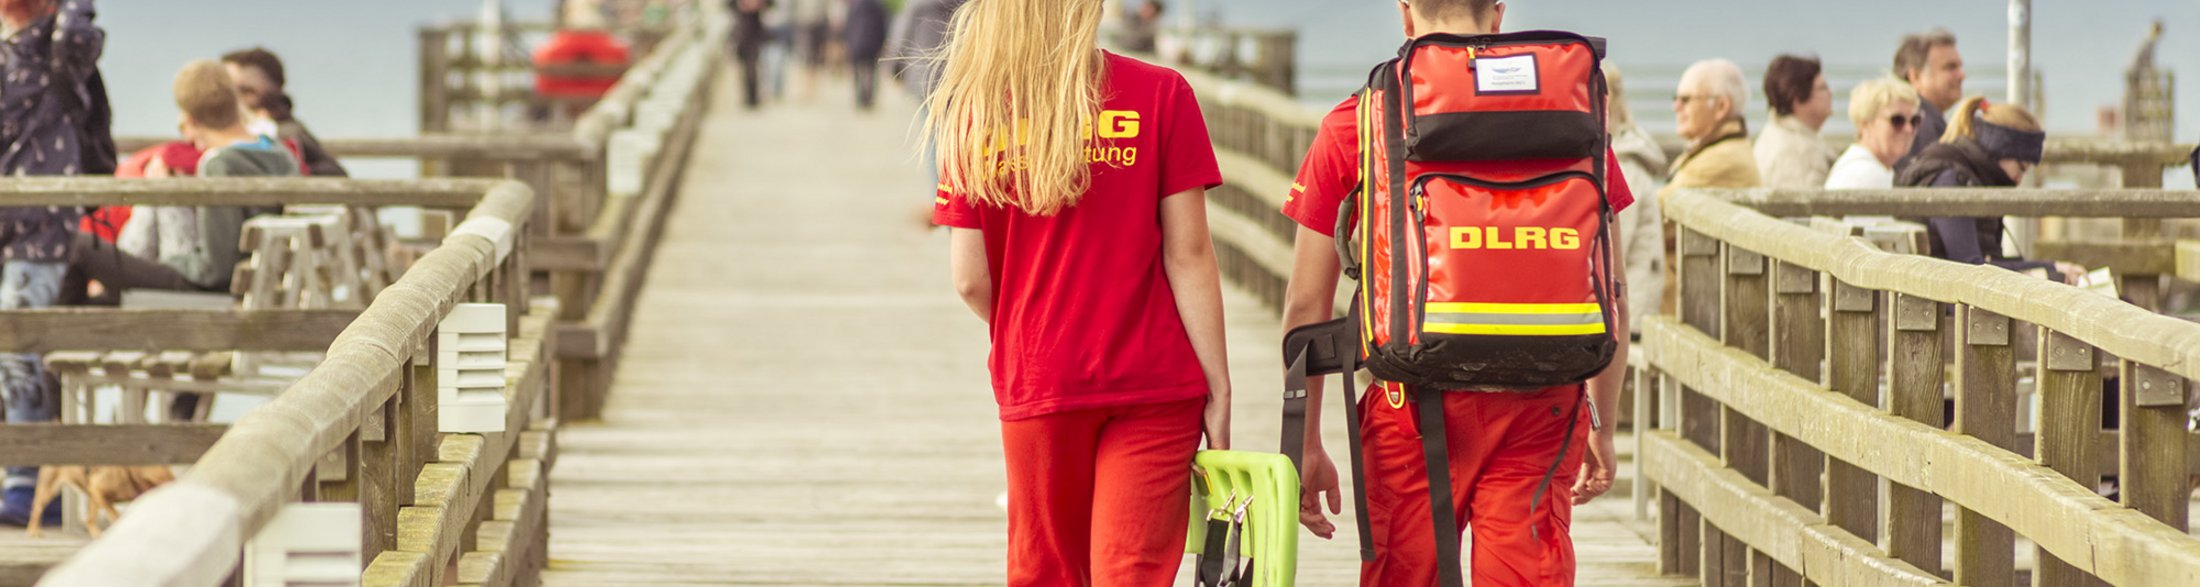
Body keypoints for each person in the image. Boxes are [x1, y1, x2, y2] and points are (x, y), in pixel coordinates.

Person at [1282, 1, 1633, 584]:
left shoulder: (1361, 119)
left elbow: (1305, 302)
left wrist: (1305, 439)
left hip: (1410, 406)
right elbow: (1611, 289)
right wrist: (1602, 421)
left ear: (1405, 13)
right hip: (1543, 399)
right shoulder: (1571, 115)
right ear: (1497, 15)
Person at [924, 0, 1229, 583]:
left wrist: (1032, 325)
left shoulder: (975, 110)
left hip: (1042, 377)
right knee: (1133, 572)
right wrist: (1219, 385)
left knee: (1048, 570)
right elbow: (1188, 254)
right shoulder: (1162, 93)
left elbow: (969, 279)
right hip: (1155, 376)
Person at [0, 0, 104, 529]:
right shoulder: (7, 52)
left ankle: (28, 481)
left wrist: (69, 5)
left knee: (18, 345)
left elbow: (82, 35)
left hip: (42, 224)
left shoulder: (61, 47)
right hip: (8, 218)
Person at [120, 60, 300, 293]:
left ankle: (116, 278)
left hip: (216, 288)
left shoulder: (218, 165)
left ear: (191, 120)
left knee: (85, 249)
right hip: (266, 278)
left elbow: (216, 268)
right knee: (161, 188)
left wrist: (164, 264)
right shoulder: (279, 152)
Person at [1894, 97, 2085, 283]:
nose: (2019, 179)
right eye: (2021, 168)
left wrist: (2049, 268)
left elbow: (1984, 262)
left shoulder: (1973, 179)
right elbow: (1969, 267)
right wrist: (2048, 272)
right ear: (2000, 150)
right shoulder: (1951, 181)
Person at [1656, 58, 1757, 316]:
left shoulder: (1723, 159)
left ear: (1721, 106)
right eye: (1676, 98)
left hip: (1699, 306)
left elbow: (1654, 214)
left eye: (1686, 99)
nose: (1676, 106)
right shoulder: (1717, 149)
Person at [222, 48, 349, 177]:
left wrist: (297, 170)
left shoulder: (286, 133)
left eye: (245, 91)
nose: (229, 97)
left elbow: (335, 173)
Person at [1605, 65, 1664, 338]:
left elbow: (1617, 247)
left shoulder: (1624, 164)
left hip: (1629, 315)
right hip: (1630, 306)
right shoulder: (1626, 154)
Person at [1753, 54, 1836, 189]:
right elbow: (1807, 202)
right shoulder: (1797, 153)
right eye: (1823, 88)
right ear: (1797, 98)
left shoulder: (1777, 132)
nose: (1830, 93)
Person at [1825, 77, 1921, 190]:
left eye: (1915, 121)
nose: (1908, 129)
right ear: (1865, 124)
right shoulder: (1865, 175)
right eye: (1897, 120)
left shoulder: (1871, 169)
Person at [1893, 29, 1964, 170]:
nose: (1962, 75)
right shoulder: (1916, 124)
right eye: (1950, 67)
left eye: (1960, 66)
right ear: (1915, 76)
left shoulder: (1926, 120)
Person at [842, 0, 888, 110]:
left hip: (856, 43)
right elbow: (883, 26)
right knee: (871, 72)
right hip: (873, 43)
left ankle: (859, 97)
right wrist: (882, 43)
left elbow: (848, 25)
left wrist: (847, 41)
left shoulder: (855, 6)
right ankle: (869, 98)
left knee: (857, 72)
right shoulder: (879, 6)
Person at [729, 0, 775, 109]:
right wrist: (741, 5)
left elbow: (771, 4)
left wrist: (759, 5)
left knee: (752, 66)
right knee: (743, 67)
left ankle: (753, 98)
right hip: (741, 34)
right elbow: (729, 5)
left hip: (755, 35)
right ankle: (747, 96)